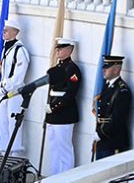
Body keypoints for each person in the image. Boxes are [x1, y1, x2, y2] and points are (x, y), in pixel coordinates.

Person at [43, 36, 83, 175]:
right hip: (53, 115)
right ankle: (55, 176)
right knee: (54, 148)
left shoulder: (72, 70)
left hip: (64, 114)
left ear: (70, 49)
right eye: (57, 48)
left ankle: (66, 177)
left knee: (64, 149)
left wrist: (54, 108)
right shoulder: (57, 67)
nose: (58, 51)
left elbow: (70, 93)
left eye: (61, 48)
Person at [0, 15, 31, 157]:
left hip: (15, 93)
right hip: (3, 93)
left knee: (13, 124)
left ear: (15, 32)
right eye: (4, 31)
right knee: (2, 124)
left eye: (7, 31)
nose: (4, 33)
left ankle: (14, 155)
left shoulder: (20, 50)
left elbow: (18, 76)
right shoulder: (6, 49)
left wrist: (4, 87)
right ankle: (4, 154)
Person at [94, 54, 132, 159]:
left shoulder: (122, 90)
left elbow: (117, 119)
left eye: (107, 68)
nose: (103, 70)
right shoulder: (108, 86)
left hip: (113, 141)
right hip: (104, 140)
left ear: (116, 70)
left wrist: (100, 134)